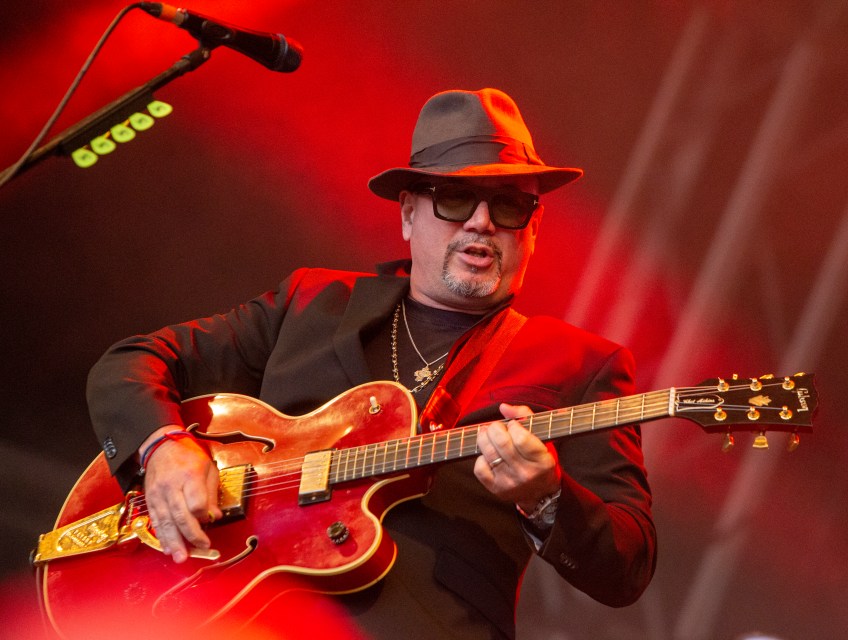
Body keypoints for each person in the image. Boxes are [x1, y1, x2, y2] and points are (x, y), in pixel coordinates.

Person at [86, 87, 657, 639]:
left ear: (533, 229)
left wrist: (546, 495)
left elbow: (628, 562)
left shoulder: (584, 363)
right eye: (455, 199)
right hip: (241, 616)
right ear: (409, 214)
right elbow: (134, 362)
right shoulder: (312, 303)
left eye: (509, 206)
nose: (482, 222)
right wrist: (162, 446)